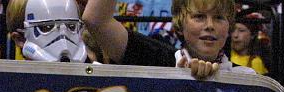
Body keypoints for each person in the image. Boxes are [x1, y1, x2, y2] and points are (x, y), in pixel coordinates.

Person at [83, 0, 251, 79]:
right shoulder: (153, 59)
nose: (210, 25)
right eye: (199, 17)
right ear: (180, 25)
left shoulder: (248, 79)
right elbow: (96, 21)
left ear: (229, 26)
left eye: (219, 18)